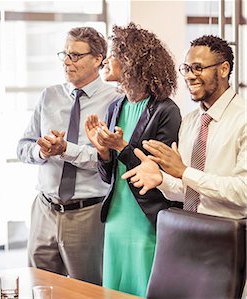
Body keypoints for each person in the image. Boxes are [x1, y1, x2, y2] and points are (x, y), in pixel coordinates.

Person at [84, 23, 182, 297]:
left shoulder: (165, 111)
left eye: (114, 53)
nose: (105, 59)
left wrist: (123, 147)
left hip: (146, 219)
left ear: (131, 61)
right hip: (116, 217)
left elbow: (159, 174)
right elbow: (109, 175)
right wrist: (103, 152)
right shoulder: (115, 107)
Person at [17, 27, 120, 285]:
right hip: (44, 210)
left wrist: (65, 150)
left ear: (98, 59)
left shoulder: (115, 101)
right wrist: (41, 151)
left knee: (86, 290)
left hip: (87, 214)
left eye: (75, 55)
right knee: (39, 287)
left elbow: (106, 159)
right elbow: (22, 147)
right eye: (65, 54)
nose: (67, 61)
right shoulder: (49, 95)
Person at [122, 35, 247, 219]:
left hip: (228, 237)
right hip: (188, 228)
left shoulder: (243, 118)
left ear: (224, 69)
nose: (189, 76)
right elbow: (188, 191)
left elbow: (243, 192)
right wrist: (162, 180)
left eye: (198, 68)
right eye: (186, 69)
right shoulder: (190, 121)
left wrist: (184, 172)